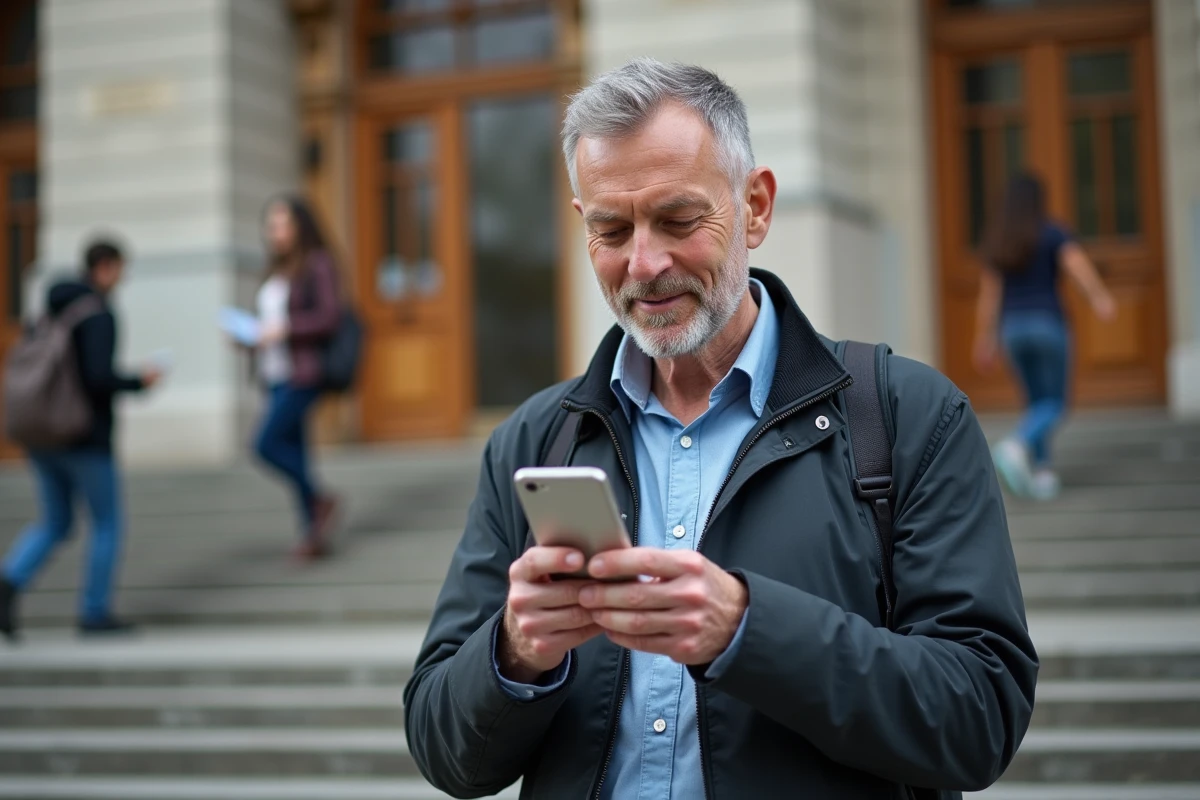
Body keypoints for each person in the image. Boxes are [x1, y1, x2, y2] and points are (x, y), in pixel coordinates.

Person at [404, 59, 1038, 799]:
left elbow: (981, 717)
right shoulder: (534, 440)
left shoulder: (908, 417)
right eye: (612, 228)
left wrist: (749, 629)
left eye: (678, 220)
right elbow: (443, 750)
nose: (644, 263)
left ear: (757, 207)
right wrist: (512, 653)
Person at [0, 239, 161, 640]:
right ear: (105, 267)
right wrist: (139, 381)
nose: (123, 277)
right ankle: (94, 611)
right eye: (121, 268)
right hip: (83, 437)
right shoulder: (98, 314)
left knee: (55, 521)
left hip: (41, 434)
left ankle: (8, 581)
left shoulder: (50, 311)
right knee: (107, 523)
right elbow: (97, 379)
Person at [972, 173, 1116, 500]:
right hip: (1048, 326)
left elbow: (990, 297)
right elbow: (1077, 266)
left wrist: (985, 340)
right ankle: (1017, 444)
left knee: (1036, 402)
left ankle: (1043, 473)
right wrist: (1099, 298)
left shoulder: (1000, 240)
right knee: (1055, 403)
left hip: (1012, 332)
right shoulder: (1052, 232)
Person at [249, 195, 341, 561]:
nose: (274, 232)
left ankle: (320, 498)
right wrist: (249, 337)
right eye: (270, 225)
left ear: (300, 226)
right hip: (274, 372)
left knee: (265, 444)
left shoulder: (317, 263)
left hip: (303, 374)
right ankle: (312, 536)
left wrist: (285, 329)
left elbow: (329, 317)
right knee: (298, 452)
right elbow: (269, 327)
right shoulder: (275, 271)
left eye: (282, 224)